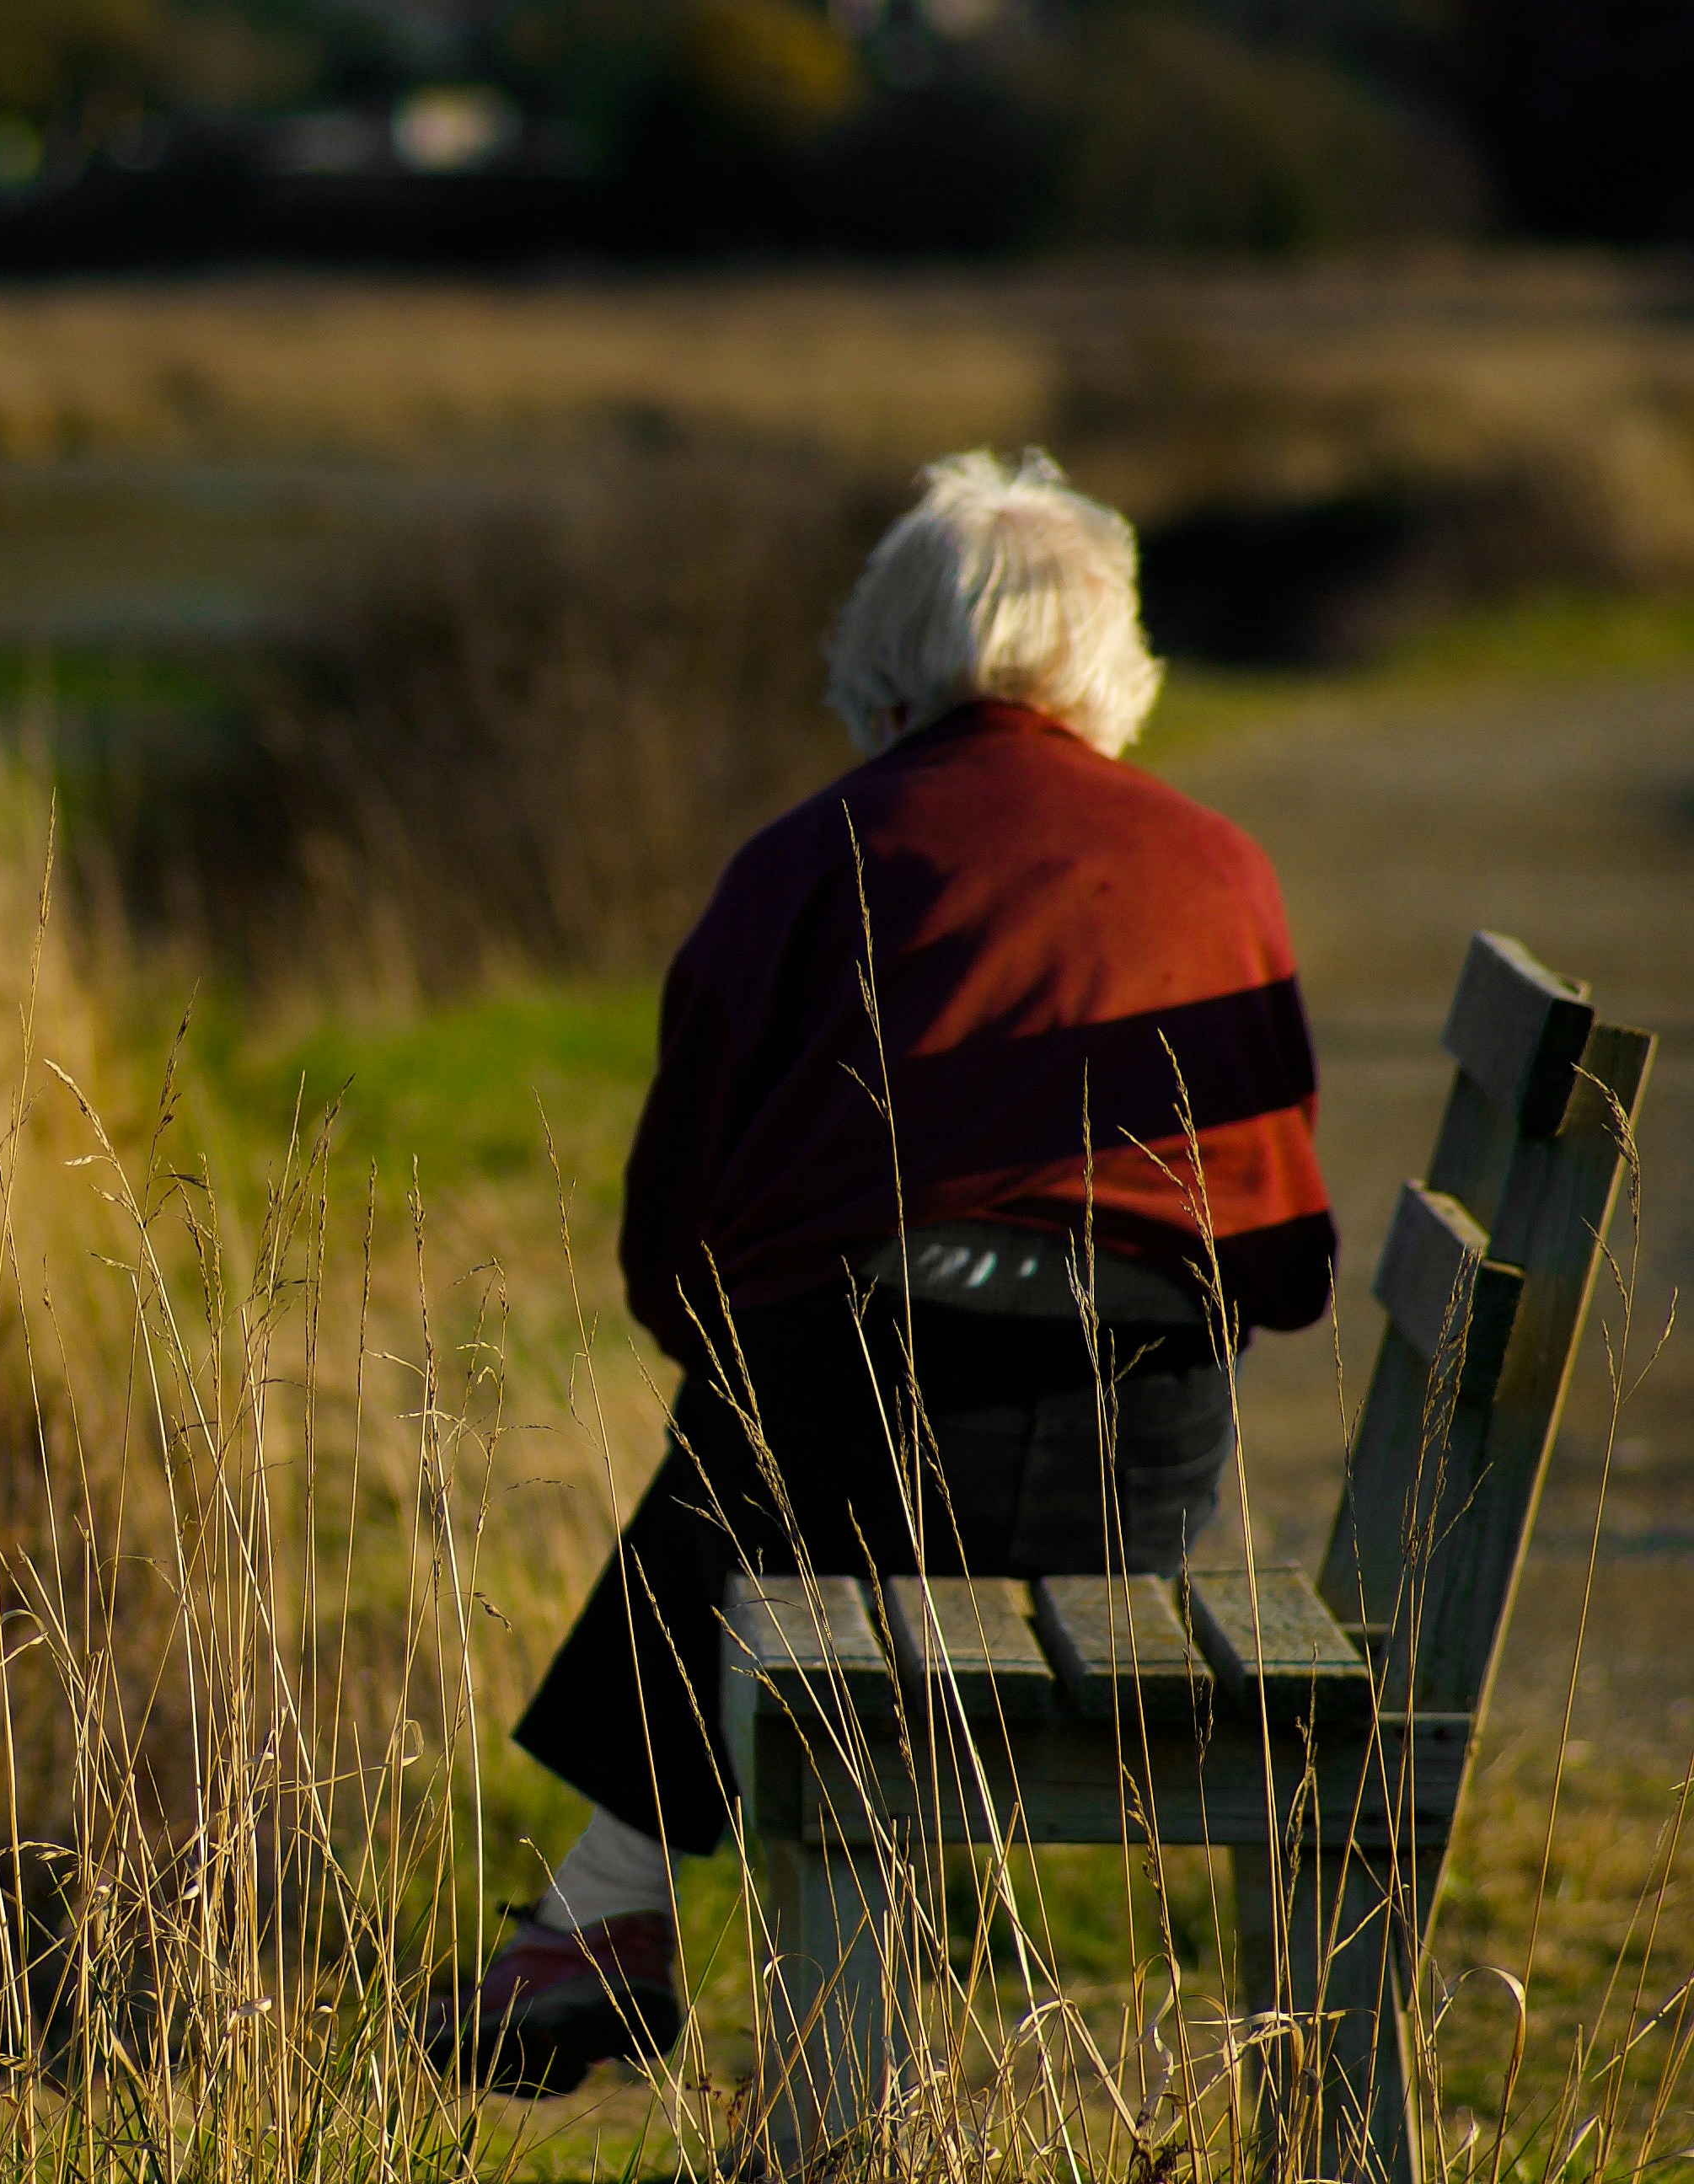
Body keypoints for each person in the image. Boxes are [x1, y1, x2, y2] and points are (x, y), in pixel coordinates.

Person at [422, 450, 1337, 2098]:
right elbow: (1281, 1266)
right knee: (773, 1435)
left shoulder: (797, 867)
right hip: (1127, 1501)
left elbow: (673, 1252)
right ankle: (603, 1913)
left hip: (832, 1481)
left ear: (883, 656)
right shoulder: (1220, 868)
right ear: (1107, 655)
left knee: (754, 1436)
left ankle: (610, 1909)